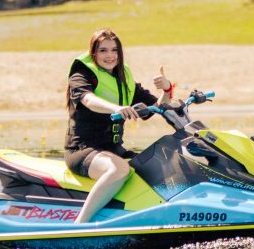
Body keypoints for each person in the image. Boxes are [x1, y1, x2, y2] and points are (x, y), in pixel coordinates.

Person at [65, 28, 173, 223]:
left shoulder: (124, 79)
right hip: (82, 151)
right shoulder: (81, 75)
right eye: (103, 50)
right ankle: (81, 223)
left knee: (159, 164)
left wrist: (166, 88)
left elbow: (156, 107)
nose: (110, 56)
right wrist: (116, 108)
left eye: (114, 50)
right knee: (119, 169)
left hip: (113, 150)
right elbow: (88, 100)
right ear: (93, 53)